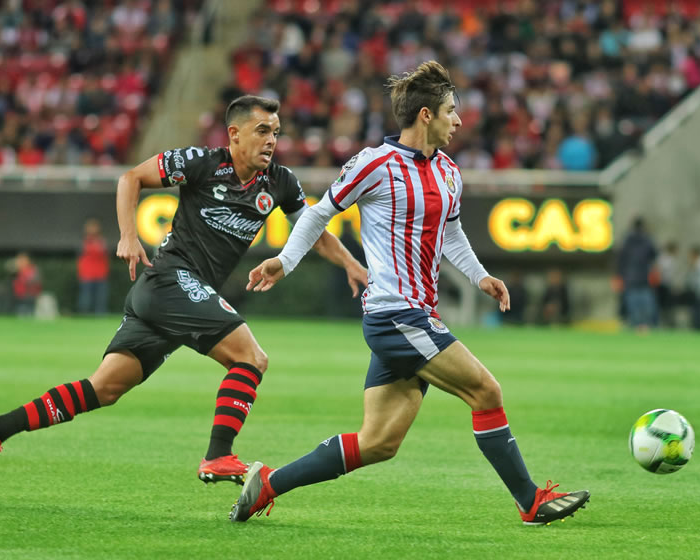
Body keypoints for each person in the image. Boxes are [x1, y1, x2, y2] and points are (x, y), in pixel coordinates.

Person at [238, 61, 589, 526]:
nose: (458, 121)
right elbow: (319, 213)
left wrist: (479, 275)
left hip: (413, 317)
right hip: (396, 314)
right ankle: (530, 501)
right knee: (486, 391)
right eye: (451, 111)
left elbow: (453, 232)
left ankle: (267, 483)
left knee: (378, 443)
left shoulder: (448, 171)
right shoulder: (374, 164)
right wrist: (285, 260)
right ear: (426, 115)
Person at [0, 95, 368, 486]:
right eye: (262, 130)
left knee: (104, 388)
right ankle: (217, 456)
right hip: (169, 280)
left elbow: (312, 229)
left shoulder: (279, 182)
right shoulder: (202, 163)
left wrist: (351, 263)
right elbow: (131, 178)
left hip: (173, 296)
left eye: (276, 133)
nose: (271, 141)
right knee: (251, 358)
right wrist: (128, 236)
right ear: (234, 134)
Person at [617, 217, 658, 332]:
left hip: (629, 278)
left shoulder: (626, 240)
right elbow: (654, 254)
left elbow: (620, 259)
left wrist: (619, 275)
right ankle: (646, 326)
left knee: (633, 306)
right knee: (646, 305)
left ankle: (635, 326)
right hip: (644, 278)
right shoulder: (647, 239)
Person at [77, 218, 110, 315]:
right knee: (85, 300)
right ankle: (83, 317)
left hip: (101, 275)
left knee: (101, 300)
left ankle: (100, 319)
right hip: (87, 276)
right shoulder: (83, 241)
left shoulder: (102, 241)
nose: (93, 229)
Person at [10, 252, 42, 316]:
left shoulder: (32, 269)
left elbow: (35, 281)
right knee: (20, 314)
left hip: (30, 296)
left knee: (29, 314)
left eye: (22, 260)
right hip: (19, 296)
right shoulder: (18, 271)